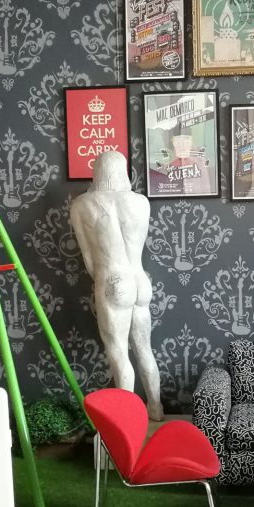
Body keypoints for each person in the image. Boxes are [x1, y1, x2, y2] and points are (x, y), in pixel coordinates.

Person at [71, 151, 163, 421]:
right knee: (145, 350)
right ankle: (156, 408)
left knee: (119, 353)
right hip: (140, 280)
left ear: (97, 171)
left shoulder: (82, 204)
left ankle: (127, 421)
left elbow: (89, 260)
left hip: (113, 279)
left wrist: (104, 281)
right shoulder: (141, 202)